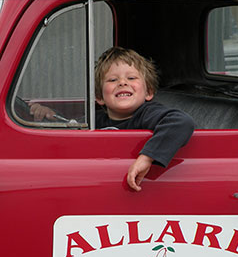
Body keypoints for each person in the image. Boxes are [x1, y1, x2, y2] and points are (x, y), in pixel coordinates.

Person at [29, 47, 195, 191]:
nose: (122, 83)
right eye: (113, 80)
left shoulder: (148, 113)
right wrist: (48, 116)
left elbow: (180, 122)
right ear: (100, 97)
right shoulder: (96, 119)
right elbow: (71, 130)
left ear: (148, 92)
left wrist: (146, 158)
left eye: (131, 78)